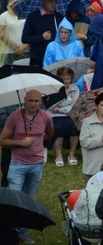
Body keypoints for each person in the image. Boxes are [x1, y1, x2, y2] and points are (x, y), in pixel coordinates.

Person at [0, 89, 53, 243]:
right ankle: (9, 231)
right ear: (24, 100)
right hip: (17, 165)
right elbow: (2, 140)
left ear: (41, 101)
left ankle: (21, 232)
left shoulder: (45, 117)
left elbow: (49, 132)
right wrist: (19, 142)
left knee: (29, 199)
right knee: (14, 200)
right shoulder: (14, 117)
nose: (33, 104)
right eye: (30, 100)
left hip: (37, 164)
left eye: (36, 101)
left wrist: (37, 142)